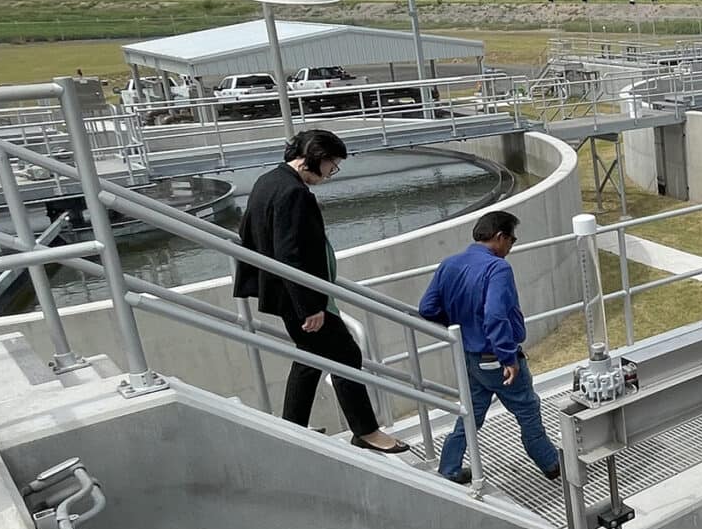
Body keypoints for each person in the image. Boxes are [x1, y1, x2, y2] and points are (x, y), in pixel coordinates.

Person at [233, 129, 412, 455]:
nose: (331, 173)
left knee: (310, 358)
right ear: (315, 157)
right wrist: (310, 306)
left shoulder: (269, 180)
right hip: (300, 298)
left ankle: (292, 428)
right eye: (332, 165)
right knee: (346, 356)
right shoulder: (293, 194)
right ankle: (367, 431)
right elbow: (290, 254)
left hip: (287, 294)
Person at [419, 209, 561, 485]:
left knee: (471, 413)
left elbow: (427, 308)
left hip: (470, 358)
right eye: (512, 240)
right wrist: (508, 357)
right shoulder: (498, 268)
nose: (511, 246)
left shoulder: (450, 264)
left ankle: (449, 467)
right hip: (496, 358)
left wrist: (460, 323)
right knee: (527, 409)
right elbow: (495, 314)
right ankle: (551, 463)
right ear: (499, 237)